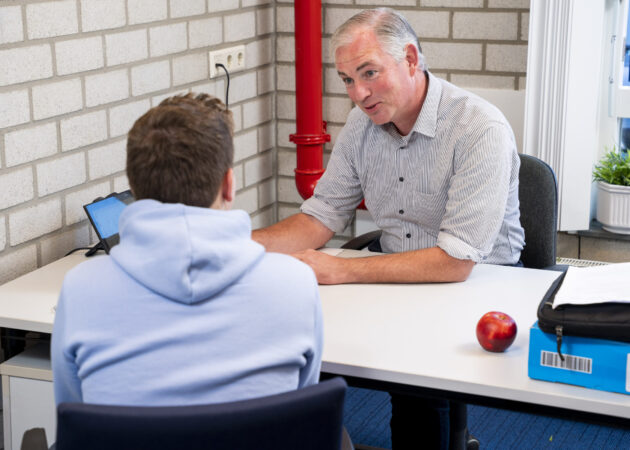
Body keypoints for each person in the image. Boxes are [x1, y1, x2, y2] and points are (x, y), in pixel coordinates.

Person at [252, 8, 525, 449]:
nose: (358, 94)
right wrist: (233, 246)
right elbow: (319, 216)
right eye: (346, 79)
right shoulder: (363, 123)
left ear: (412, 60)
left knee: (417, 385)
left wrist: (343, 269)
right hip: (398, 274)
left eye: (369, 73)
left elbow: (456, 262)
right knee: (300, 347)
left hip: (481, 282)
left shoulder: (479, 128)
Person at [51, 93, 323, 407]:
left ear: (135, 187)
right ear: (228, 184)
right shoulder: (295, 283)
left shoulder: (81, 289)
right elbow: (304, 402)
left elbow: (71, 411)